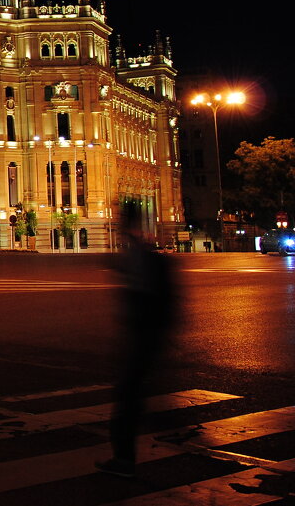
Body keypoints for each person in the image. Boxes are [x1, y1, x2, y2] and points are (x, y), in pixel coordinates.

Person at [96, 202, 177, 478]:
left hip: (143, 338)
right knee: (136, 397)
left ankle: (124, 459)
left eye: (121, 220)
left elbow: (147, 297)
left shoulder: (143, 256)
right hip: (145, 338)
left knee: (129, 400)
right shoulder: (141, 254)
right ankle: (168, 431)